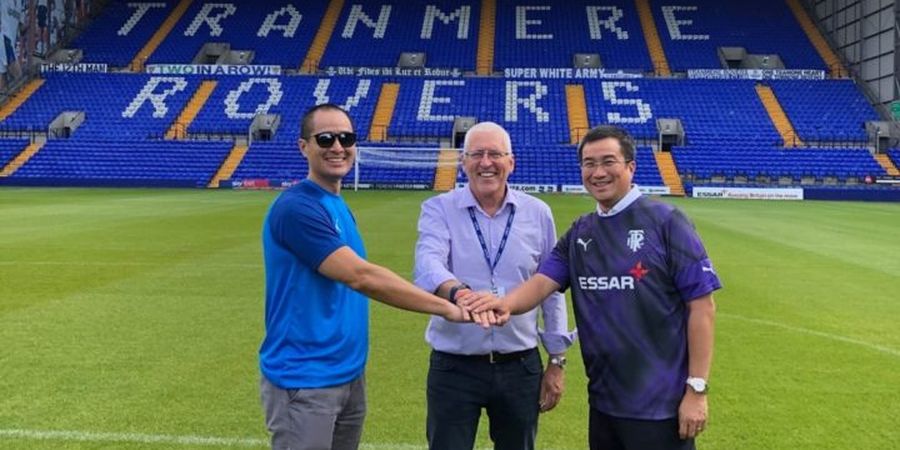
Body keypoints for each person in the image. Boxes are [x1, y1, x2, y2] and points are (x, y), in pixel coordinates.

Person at [463, 125, 721, 450]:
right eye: (588, 163)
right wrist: (504, 305)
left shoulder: (666, 221)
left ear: (631, 166)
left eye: (608, 161)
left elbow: (702, 306)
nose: (598, 172)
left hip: (661, 408)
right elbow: (543, 282)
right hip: (603, 404)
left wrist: (696, 389)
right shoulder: (582, 231)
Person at [259, 104, 478, 450]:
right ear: (304, 146)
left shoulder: (336, 205)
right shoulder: (297, 208)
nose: (337, 147)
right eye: (325, 138)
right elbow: (362, 277)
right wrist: (445, 306)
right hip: (306, 377)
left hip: (346, 373)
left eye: (345, 138)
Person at [413, 121, 576, 450]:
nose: (486, 162)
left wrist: (557, 360)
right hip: (454, 366)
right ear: (463, 162)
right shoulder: (438, 209)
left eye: (495, 154)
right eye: (476, 154)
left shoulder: (538, 213)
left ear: (511, 162)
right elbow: (428, 264)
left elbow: (552, 289)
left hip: (520, 366)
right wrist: (461, 295)